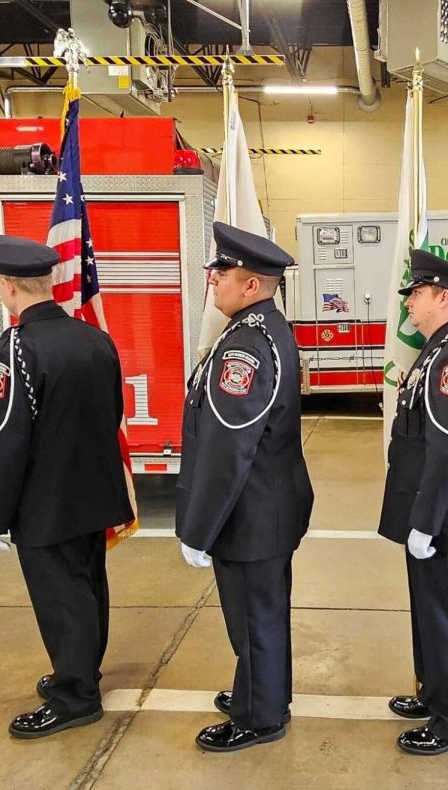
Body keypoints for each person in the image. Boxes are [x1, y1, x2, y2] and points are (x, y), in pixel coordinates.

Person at [0, 235, 133, 738]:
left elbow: (4, 442)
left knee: (61, 599)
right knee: (87, 588)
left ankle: (75, 696)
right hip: (95, 492)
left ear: (6, 286)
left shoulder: (11, 352)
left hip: (45, 503)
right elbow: (114, 413)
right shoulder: (94, 337)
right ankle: (83, 670)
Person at [176, 222, 313, 753]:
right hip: (268, 504)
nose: (214, 280)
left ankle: (259, 717)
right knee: (264, 613)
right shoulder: (260, 329)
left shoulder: (247, 346)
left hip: (252, 510)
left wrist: (199, 526)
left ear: (251, 284)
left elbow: (228, 446)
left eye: (222, 272)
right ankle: (266, 694)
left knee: (254, 619)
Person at [379, 249, 448, 757]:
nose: (409, 302)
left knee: (444, 616)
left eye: (416, 293)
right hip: (434, 513)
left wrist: (425, 521)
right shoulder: (438, 347)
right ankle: (435, 692)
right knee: (429, 612)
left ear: (442, 297)